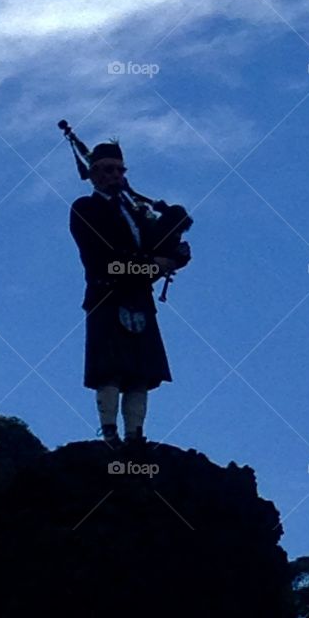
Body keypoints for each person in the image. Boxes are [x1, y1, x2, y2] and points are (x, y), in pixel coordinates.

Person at [68, 139, 189, 448]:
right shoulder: (85, 209)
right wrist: (152, 267)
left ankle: (135, 435)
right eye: (107, 170)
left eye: (119, 170)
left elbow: (158, 247)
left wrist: (173, 244)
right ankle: (109, 432)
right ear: (93, 174)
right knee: (110, 370)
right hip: (106, 293)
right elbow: (102, 260)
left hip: (139, 298)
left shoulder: (136, 214)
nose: (114, 176)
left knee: (139, 374)